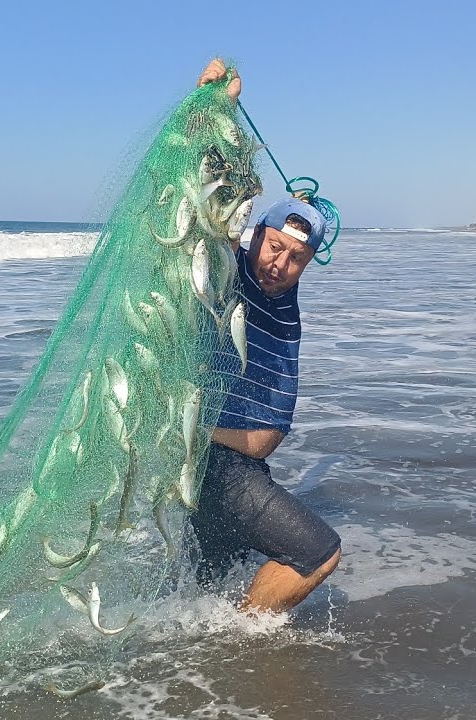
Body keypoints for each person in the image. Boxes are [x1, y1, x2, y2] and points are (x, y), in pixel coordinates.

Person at [188, 59, 342, 614]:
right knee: (319, 553)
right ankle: (240, 639)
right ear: (258, 238)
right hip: (220, 468)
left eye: (296, 258)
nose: (280, 263)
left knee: (199, 588)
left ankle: (203, 661)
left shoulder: (284, 289)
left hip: (236, 471)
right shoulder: (234, 266)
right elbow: (221, 192)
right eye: (275, 246)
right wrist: (215, 106)